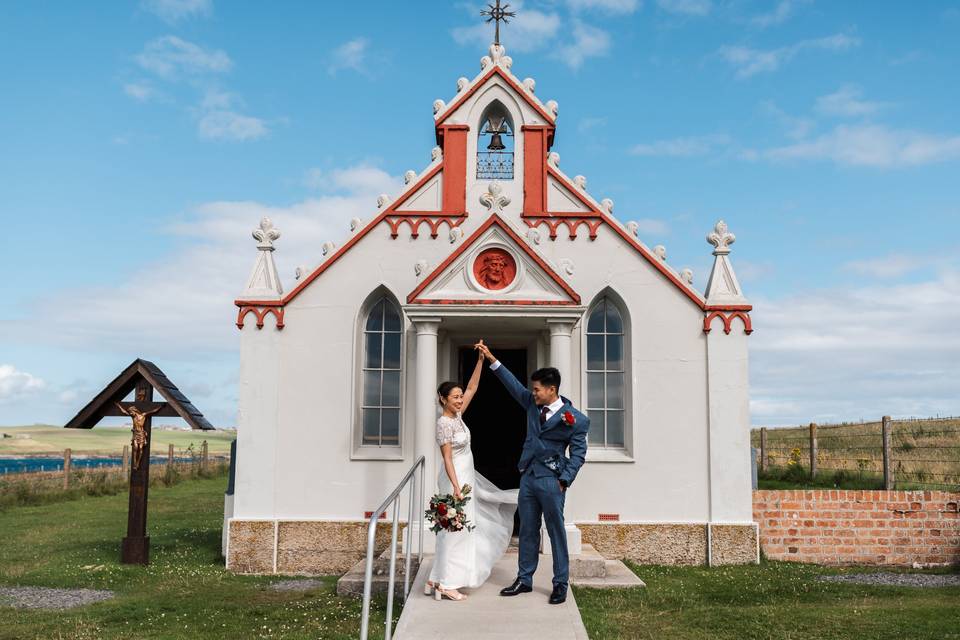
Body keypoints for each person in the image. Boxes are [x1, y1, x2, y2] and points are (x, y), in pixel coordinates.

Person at [475, 341, 589, 605]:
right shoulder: (530, 404)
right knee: (527, 529)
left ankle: (560, 583)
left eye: (537, 389)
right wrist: (492, 359)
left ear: (552, 390)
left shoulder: (576, 419)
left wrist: (564, 480)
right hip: (528, 478)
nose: (533, 392)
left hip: (552, 481)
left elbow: (579, 455)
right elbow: (512, 384)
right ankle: (524, 579)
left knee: (556, 531)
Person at [426, 340, 519, 601]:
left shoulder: (458, 416)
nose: (459, 400)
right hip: (454, 480)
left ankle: (435, 577)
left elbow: (472, 387)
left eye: (459, 397)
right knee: (455, 529)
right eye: (454, 397)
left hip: (466, 478)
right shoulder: (444, 423)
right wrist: (455, 487)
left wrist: (480, 360)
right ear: (442, 399)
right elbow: (446, 458)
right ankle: (447, 583)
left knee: (461, 528)